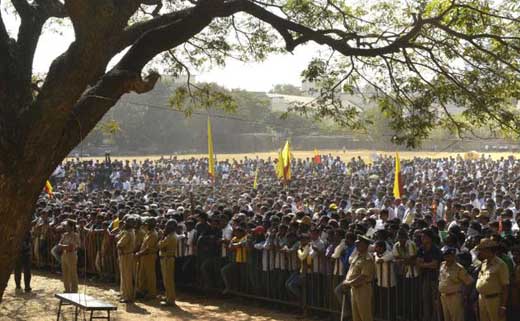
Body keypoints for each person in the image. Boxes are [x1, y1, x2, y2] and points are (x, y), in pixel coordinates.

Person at [339, 235, 375, 321]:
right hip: (354, 288)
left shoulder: (367, 258)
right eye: (357, 244)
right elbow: (351, 271)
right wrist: (346, 281)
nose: (357, 245)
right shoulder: (357, 255)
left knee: (365, 316)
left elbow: (363, 276)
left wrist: (349, 283)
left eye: (359, 244)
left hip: (363, 289)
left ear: (365, 245)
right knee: (356, 316)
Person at [475, 238, 509, 321]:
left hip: (494, 300)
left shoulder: (500, 264)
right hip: (482, 299)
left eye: (481, 250)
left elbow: (505, 286)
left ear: (488, 250)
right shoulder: (484, 263)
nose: (480, 252)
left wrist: (503, 306)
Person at [438, 247, 473, 321]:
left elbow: (469, 282)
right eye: (445, 255)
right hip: (444, 296)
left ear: (453, 256)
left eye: (448, 255)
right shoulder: (442, 265)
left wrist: (465, 296)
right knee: (447, 318)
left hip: (455, 297)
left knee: (457, 318)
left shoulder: (459, 268)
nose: (446, 257)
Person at [136, 217, 159, 300]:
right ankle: (142, 291)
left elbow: (148, 248)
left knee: (150, 275)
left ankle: (152, 293)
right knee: (142, 275)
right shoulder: (148, 233)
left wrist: (139, 253)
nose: (145, 226)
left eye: (147, 224)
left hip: (149, 256)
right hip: (144, 256)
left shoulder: (153, 234)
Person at [158, 219, 178, 306]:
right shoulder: (170, 235)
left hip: (168, 259)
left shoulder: (171, 236)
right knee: (166, 280)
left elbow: (160, 245)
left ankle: (170, 299)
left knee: (168, 280)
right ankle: (168, 296)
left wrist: (162, 237)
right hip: (166, 258)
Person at [116, 216, 136, 303]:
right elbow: (117, 237)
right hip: (126, 255)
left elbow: (119, 244)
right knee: (124, 276)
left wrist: (118, 242)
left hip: (126, 255)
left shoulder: (128, 233)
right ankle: (124, 293)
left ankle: (127, 296)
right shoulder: (129, 231)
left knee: (126, 276)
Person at [58, 219, 80, 293]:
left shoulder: (75, 235)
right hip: (64, 254)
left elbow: (72, 246)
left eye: (67, 226)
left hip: (72, 255)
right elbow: (59, 245)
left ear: (71, 227)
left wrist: (64, 246)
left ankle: (74, 290)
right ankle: (67, 289)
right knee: (65, 273)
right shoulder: (64, 235)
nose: (66, 227)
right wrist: (65, 246)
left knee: (72, 273)